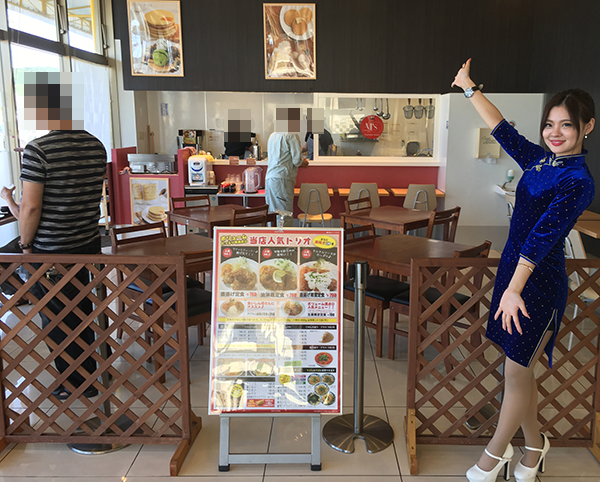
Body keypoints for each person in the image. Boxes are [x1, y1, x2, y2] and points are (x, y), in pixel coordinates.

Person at [452, 59, 595, 482]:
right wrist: (468, 87)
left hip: (537, 283)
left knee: (515, 371)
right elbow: (501, 128)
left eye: (566, 125)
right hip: (513, 277)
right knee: (520, 369)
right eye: (550, 124)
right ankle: (535, 447)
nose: (555, 132)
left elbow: (540, 239)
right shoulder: (541, 162)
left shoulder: (578, 180)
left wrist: (515, 289)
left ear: (587, 127)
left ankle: (493, 456)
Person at [19, 72, 107, 400]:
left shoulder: (38, 149)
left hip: (53, 249)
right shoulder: (96, 145)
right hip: (88, 242)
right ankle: (91, 372)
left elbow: (31, 207)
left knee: (57, 317)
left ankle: (74, 382)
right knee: (83, 308)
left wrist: (26, 246)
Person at [265, 130, 309, 226]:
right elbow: (297, 161)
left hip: (270, 178)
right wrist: (304, 163)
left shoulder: (272, 135)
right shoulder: (291, 134)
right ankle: (283, 235)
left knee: (272, 214)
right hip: (282, 179)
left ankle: (273, 235)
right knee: (284, 215)